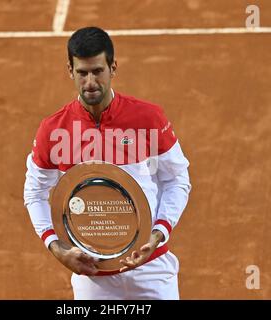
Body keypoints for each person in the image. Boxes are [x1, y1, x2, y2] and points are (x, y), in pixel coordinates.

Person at [23, 26, 191, 300]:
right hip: (93, 276)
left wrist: (158, 234)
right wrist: (57, 249)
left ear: (113, 68)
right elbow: (35, 192)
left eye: (98, 71)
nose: (90, 82)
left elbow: (176, 179)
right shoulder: (53, 130)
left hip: (151, 266)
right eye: (82, 73)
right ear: (70, 71)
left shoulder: (148, 118)